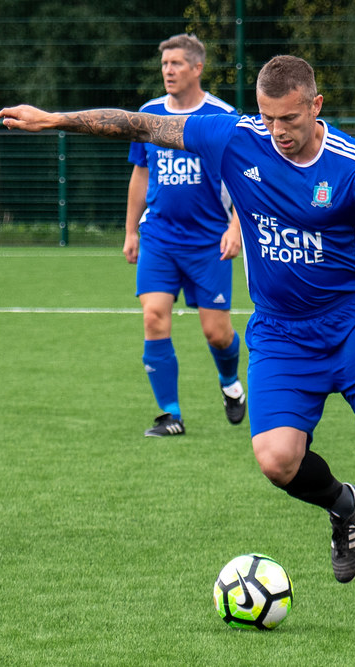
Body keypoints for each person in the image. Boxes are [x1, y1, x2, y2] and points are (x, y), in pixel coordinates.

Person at [0, 54, 355, 612]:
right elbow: (141, 125)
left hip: (354, 323)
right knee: (276, 460)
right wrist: (55, 120)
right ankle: (343, 504)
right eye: (268, 117)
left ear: (316, 106)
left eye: (290, 119)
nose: (278, 131)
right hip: (280, 332)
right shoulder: (233, 138)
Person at [124, 33, 245, 437]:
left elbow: (245, 180)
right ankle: (170, 414)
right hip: (158, 236)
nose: (168, 70)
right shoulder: (149, 114)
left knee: (217, 333)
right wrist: (131, 231)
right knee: (154, 316)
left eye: (176, 63)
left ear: (197, 68)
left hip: (209, 241)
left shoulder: (223, 117)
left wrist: (235, 228)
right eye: (164, 64)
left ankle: (230, 384)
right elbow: (140, 174)